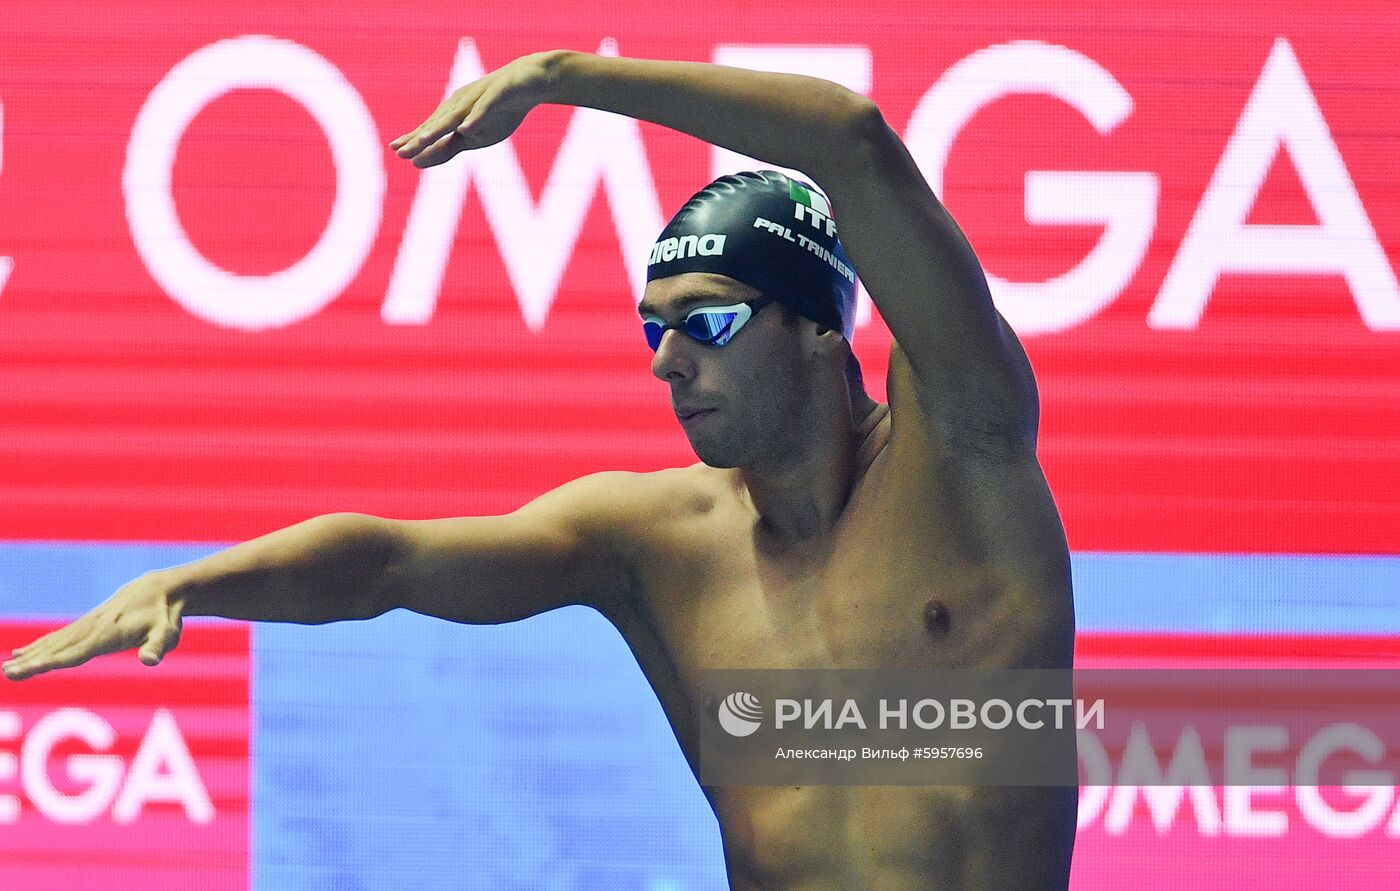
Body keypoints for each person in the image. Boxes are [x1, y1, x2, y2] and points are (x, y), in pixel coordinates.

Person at [4, 50, 1076, 889]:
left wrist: (568, 78)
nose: (669, 362)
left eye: (703, 321)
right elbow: (389, 564)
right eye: (653, 331)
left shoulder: (965, 449)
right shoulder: (653, 545)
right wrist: (193, 584)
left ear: (815, 330)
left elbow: (850, 142)